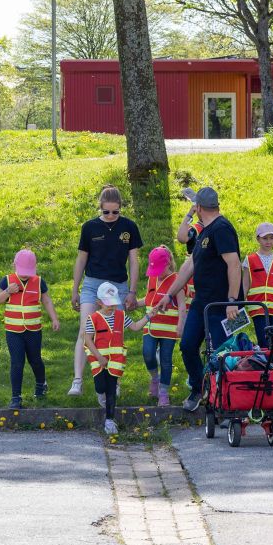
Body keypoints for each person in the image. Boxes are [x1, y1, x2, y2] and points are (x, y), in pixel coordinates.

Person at [159, 186, 243, 411]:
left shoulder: (222, 228)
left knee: (224, 354)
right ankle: (199, 389)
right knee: (187, 346)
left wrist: (232, 301)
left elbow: (234, 265)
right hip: (201, 304)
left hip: (224, 306)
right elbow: (189, 266)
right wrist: (169, 294)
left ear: (198, 208)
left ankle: (227, 402)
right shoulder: (205, 231)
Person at [69, 185, 143, 396]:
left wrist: (131, 291)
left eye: (115, 212)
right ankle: (77, 380)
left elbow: (134, 261)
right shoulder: (89, 227)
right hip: (93, 284)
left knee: (115, 333)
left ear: (121, 208)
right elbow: (81, 259)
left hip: (117, 286)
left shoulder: (129, 227)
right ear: (100, 208)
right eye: (106, 212)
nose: (110, 216)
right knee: (85, 330)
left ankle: (114, 381)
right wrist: (75, 290)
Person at [0, 249, 60, 409]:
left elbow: (47, 301)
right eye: (22, 271)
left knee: (35, 360)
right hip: (13, 332)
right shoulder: (7, 280)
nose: (24, 275)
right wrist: (8, 291)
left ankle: (40, 387)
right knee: (17, 363)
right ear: (15, 265)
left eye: (27, 272)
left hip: (33, 330)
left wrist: (54, 318)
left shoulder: (38, 281)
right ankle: (16, 398)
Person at [83, 282, 156, 434]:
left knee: (110, 390)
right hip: (99, 360)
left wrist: (148, 316)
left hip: (115, 361)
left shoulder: (121, 316)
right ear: (99, 302)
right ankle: (102, 396)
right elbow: (88, 340)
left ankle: (109, 421)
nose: (112, 307)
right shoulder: (93, 318)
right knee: (100, 387)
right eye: (108, 304)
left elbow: (135, 327)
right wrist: (99, 357)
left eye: (114, 303)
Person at [141, 245, 186, 407]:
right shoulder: (152, 278)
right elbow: (149, 300)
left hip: (169, 330)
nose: (156, 274)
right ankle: (154, 378)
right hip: (151, 327)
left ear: (168, 265)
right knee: (147, 354)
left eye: (159, 269)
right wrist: (135, 303)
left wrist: (181, 324)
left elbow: (182, 306)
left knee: (166, 361)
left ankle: (164, 393)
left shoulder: (177, 280)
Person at [242, 222, 273, 350]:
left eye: (271, 238)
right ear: (258, 239)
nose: (268, 241)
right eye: (265, 238)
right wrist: (238, 304)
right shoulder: (250, 260)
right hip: (258, 308)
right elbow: (245, 285)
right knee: (264, 341)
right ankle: (265, 366)